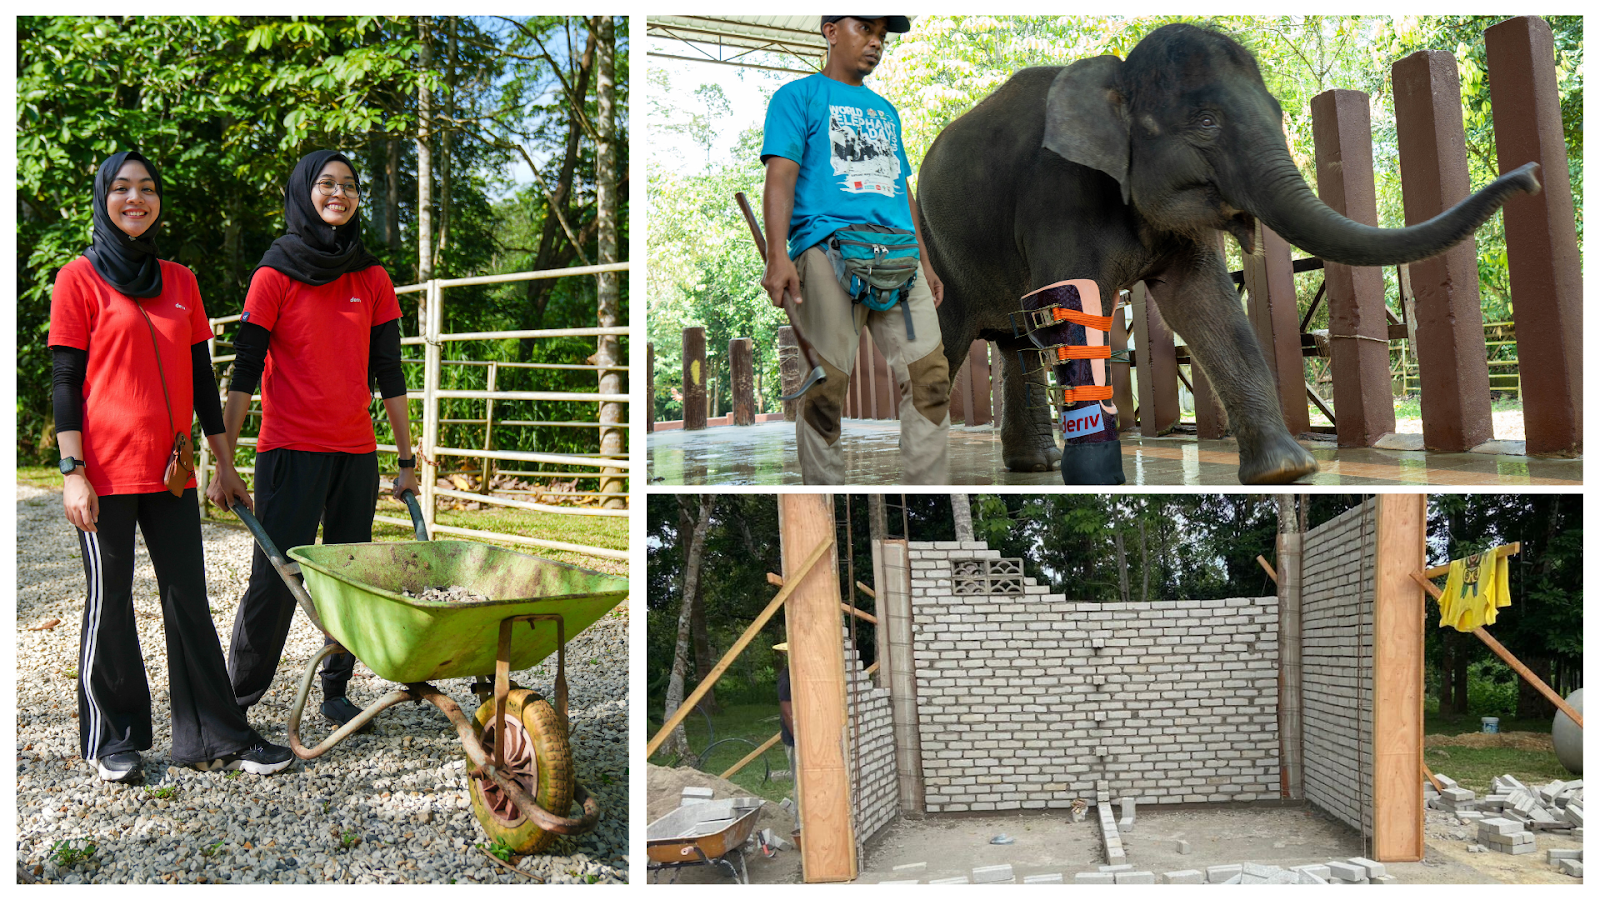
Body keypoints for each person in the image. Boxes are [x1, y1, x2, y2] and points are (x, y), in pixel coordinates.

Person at [49, 150, 294, 783]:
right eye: (123, 188)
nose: (136, 198)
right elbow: (66, 382)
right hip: (102, 474)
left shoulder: (180, 281)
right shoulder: (78, 279)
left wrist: (223, 460)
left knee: (188, 599)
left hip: (171, 471)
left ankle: (218, 734)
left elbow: (202, 382)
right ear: (104, 197)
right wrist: (71, 468)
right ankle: (114, 738)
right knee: (111, 603)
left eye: (148, 189)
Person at [216, 149, 419, 730]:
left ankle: (335, 690)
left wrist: (405, 459)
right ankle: (239, 699)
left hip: (355, 455)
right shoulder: (273, 274)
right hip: (290, 452)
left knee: (349, 576)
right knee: (276, 579)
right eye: (327, 183)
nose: (340, 193)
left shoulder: (372, 277)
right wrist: (224, 463)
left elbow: (391, 372)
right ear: (304, 191)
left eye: (350, 185)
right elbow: (244, 373)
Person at [760, 15, 950, 485]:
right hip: (828, 251)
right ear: (830, 31)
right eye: (864, 29)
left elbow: (899, 189)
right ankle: (823, 501)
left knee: (931, 381)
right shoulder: (797, 97)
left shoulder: (885, 110)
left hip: (901, 258)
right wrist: (778, 256)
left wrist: (926, 261)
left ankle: (931, 487)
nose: (875, 43)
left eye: (882, 36)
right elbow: (779, 175)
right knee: (826, 392)